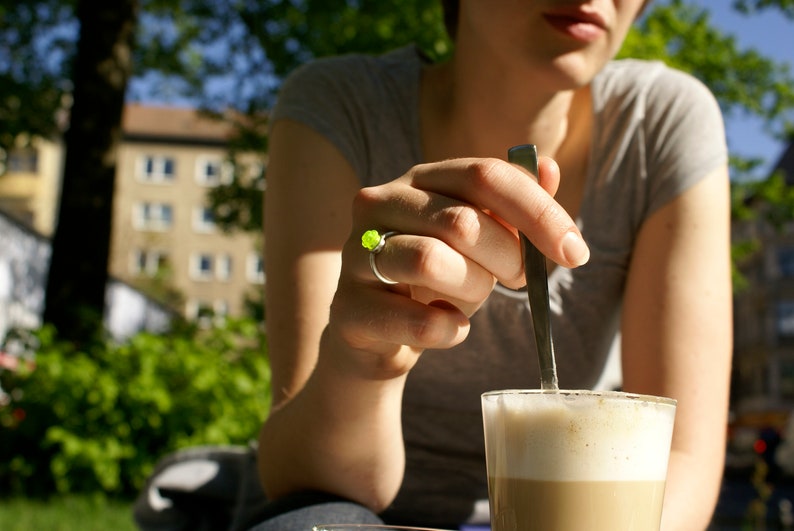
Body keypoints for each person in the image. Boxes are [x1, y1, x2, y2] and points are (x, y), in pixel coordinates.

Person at [252, 0, 732, 530]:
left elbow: (682, 463)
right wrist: (362, 357)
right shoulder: (343, 106)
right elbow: (299, 480)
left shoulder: (659, 122)